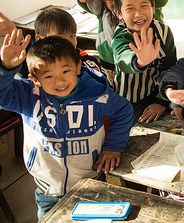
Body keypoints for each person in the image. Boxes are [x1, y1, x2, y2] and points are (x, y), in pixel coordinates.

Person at [0, 32, 133, 219]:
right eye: (48, 76)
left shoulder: (97, 94)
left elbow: (123, 111)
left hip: (92, 182)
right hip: (48, 191)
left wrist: (113, 146)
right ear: (35, 79)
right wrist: (6, 68)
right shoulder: (28, 96)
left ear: (78, 67)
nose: (60, 82)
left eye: (65, 71)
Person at [112, 0, 177, 123]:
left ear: (153, 7)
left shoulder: (164, 32)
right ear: (119, 13)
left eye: (144, 6)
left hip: (156, 95)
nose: (138, 14)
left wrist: (161, 101)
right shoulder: (121, 37)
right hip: (128, 102)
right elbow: (123, 60)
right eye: (130, 8)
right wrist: (139, 61)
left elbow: (170, 68)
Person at [77, 0, 120, 81]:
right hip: (108, 61)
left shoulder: (128, 10)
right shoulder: (102, 11)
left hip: (128, 59)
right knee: (113, 87)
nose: (114, 3)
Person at [35, 7, 103, 74]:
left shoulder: (87, 63)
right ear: (40, 39)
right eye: (61, 37)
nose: (69, 42)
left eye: (72, 36)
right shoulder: (36, 66)